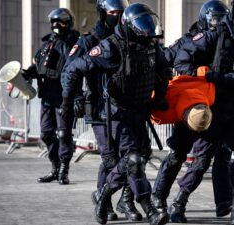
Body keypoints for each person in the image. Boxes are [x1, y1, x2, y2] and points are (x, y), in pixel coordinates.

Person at [61, 3, 171, 225]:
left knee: (138, 157)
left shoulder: (147, 44)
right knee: (119, 160)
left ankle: (115, 198)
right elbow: (72, 69)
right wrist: (71, 99)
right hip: (107, 110)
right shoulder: (102, 43)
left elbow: (163, 70)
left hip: (137, 109)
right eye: (113, 13)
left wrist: (160, 96)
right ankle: (146, 207)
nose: (117, 16)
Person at [169, 0, 234, 224]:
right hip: (210, 110)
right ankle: (178, 204)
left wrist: (222, 78)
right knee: (202, 160)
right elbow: (182, 59)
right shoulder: (215, 35)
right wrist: (200, 74)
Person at [152, 0, 234, 218]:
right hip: (189, 106)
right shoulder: (189, 41)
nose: (218, 24)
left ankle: (180, 202)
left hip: (214, 108)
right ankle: (157, 197)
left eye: (222, 20)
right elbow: (168, 60)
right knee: (177, 154)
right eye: (215, 19)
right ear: (205, 18)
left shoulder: (227, 43)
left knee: (204, 158)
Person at [21, 8, 79, 185]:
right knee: (46, 134)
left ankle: (64, 170)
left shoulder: (74, 42)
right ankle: (54, 167)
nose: (56, 26)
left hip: (64, 95)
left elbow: (72, 64)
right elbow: (39, 65)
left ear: (68, 23)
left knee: (63, 134)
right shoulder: (48, 43)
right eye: (53, 22)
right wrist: (25, 74)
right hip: (47, 95)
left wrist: (60, 41)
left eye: (60, 22)